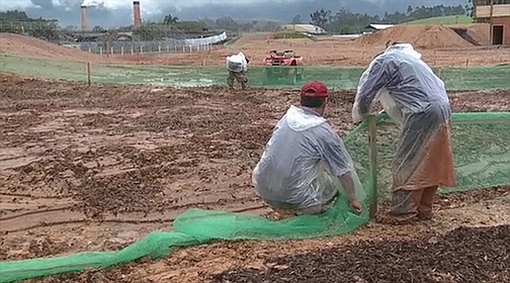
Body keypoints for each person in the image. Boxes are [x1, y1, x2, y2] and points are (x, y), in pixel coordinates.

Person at [352, 42, 456, 223]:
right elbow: (407, 91)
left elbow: (367, 94)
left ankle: (403, 212)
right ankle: (424, 209)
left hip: (421, 112)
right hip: (443, 108)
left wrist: (362, 115)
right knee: (431, 160)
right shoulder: (413, 61)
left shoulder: (384, 62)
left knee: (407, 161)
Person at [252, 81, 365, 218]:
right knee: (334, 187)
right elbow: (343, 172)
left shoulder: (287, 117)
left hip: (264, 189)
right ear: (325, 102)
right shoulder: (324, 132)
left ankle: (284, 208)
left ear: (302, 100)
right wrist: (353, 199)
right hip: (296, 199)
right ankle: (308, 212)